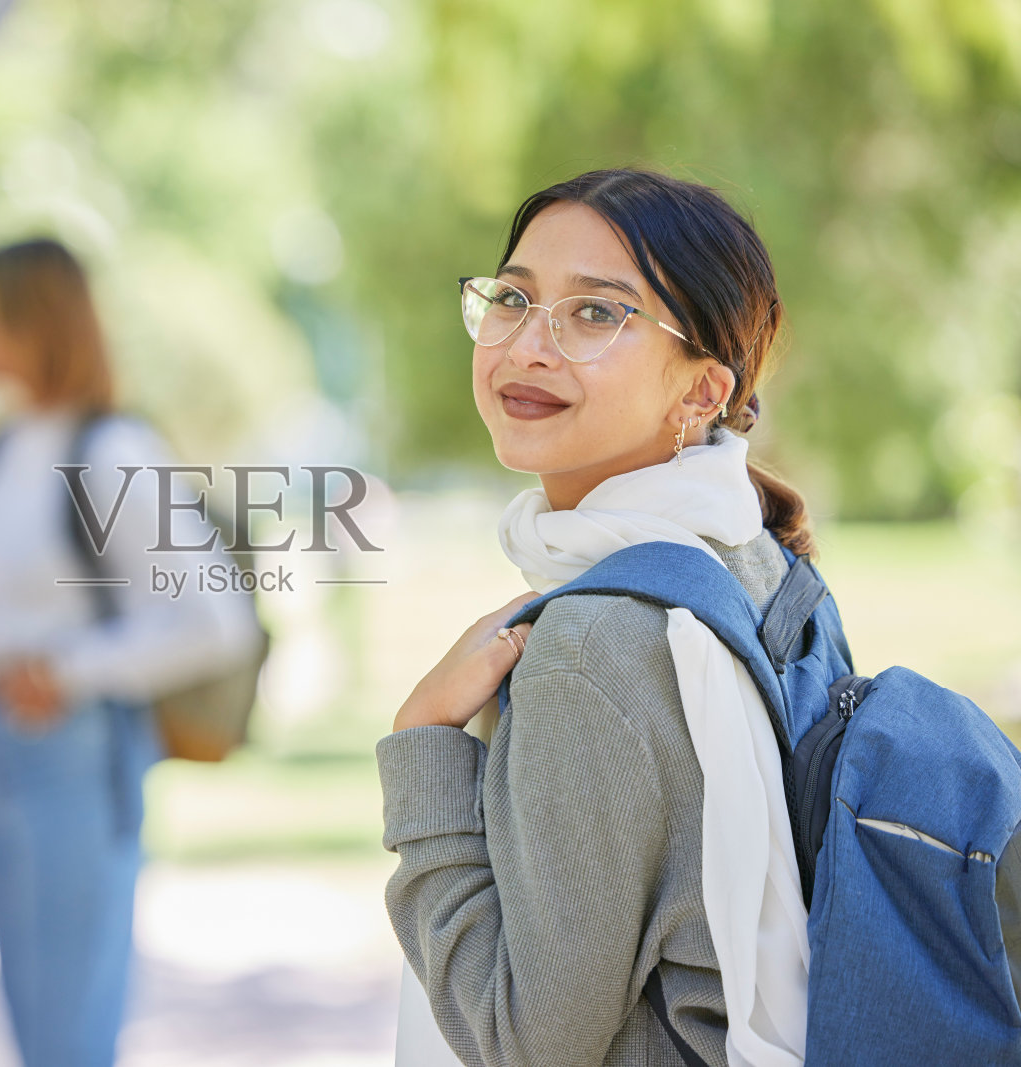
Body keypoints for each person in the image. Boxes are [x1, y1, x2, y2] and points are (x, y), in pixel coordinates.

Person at [380, 168, 812, 1067]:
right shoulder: (749, 554)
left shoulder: (592, 644)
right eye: (513, 298)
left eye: (596, 313)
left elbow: (524, 1044)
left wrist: (422, 736)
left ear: (700, 392)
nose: (529, 346)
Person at [0, 238, 263, 1067]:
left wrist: (66, 670)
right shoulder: (5, 446)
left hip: (75, 754)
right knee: (30, 1019)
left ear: (32, 320)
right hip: (1, 746)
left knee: (68, 1028)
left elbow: (217, 621)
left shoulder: (113, 450)